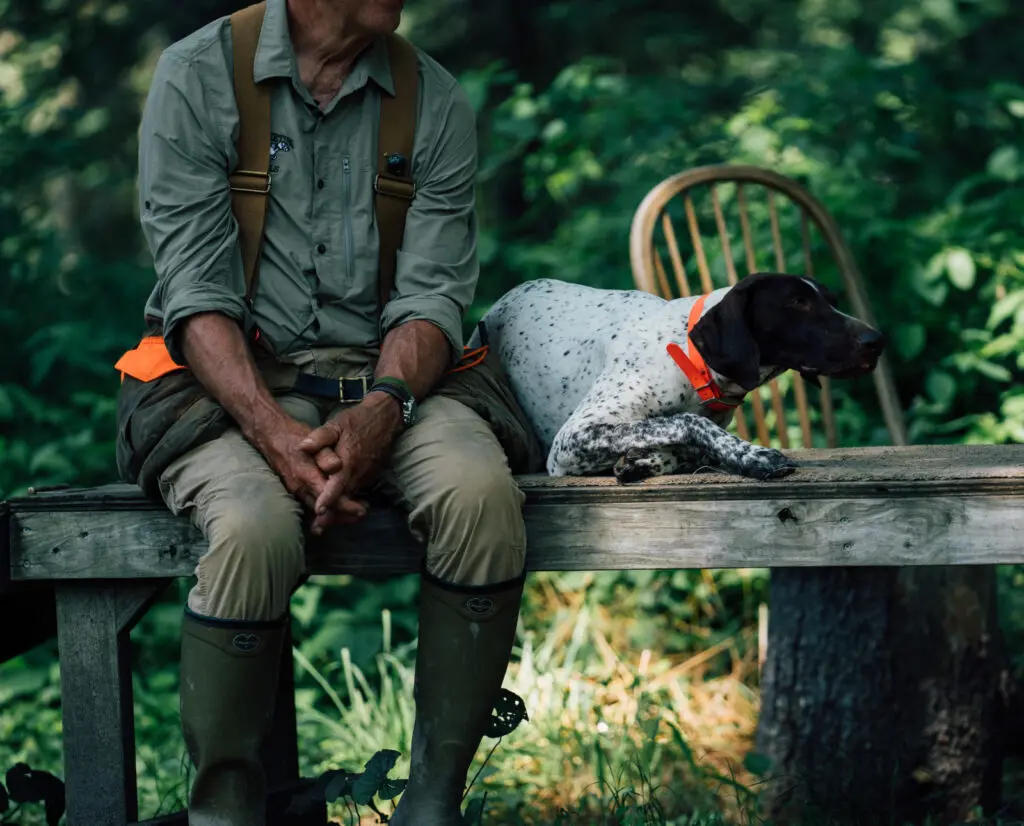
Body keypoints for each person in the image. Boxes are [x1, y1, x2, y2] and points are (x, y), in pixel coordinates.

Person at [129, 0, 539, 823]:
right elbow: (196, 296)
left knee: (480, 498)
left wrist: (386, 406)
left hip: (389, 379)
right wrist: (275, 435)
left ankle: (431, 806)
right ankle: (225, 813)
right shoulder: (199, 75)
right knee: (251, 527)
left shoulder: (434, 98)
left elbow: (433, 297)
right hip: (230, 381)